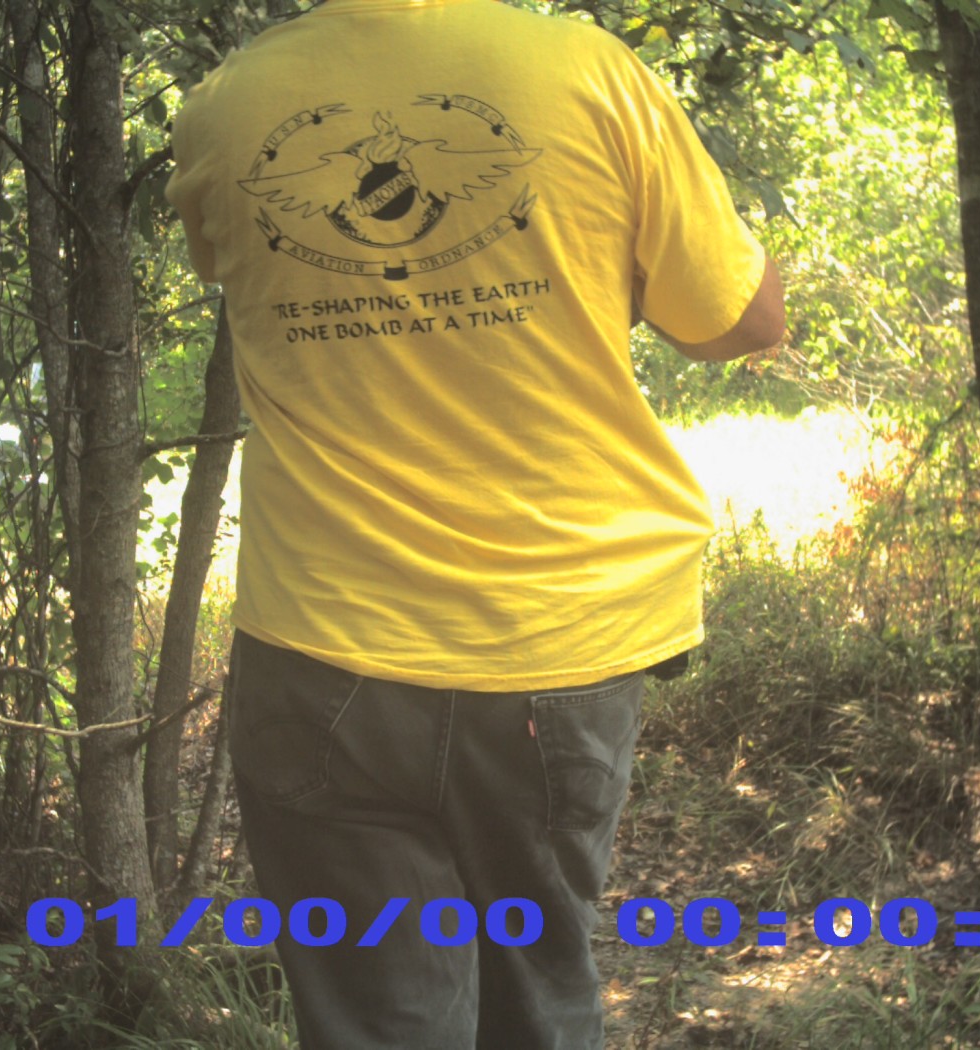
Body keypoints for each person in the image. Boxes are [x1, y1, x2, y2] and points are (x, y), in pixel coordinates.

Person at [166, 0, 784, 1046]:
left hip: (320, 649)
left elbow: (241, 271)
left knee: (376, 1022)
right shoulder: (587, 73)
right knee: (538, 996)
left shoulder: (225, 108)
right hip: (553, 637)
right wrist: (597, 271)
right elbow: (744, 322)